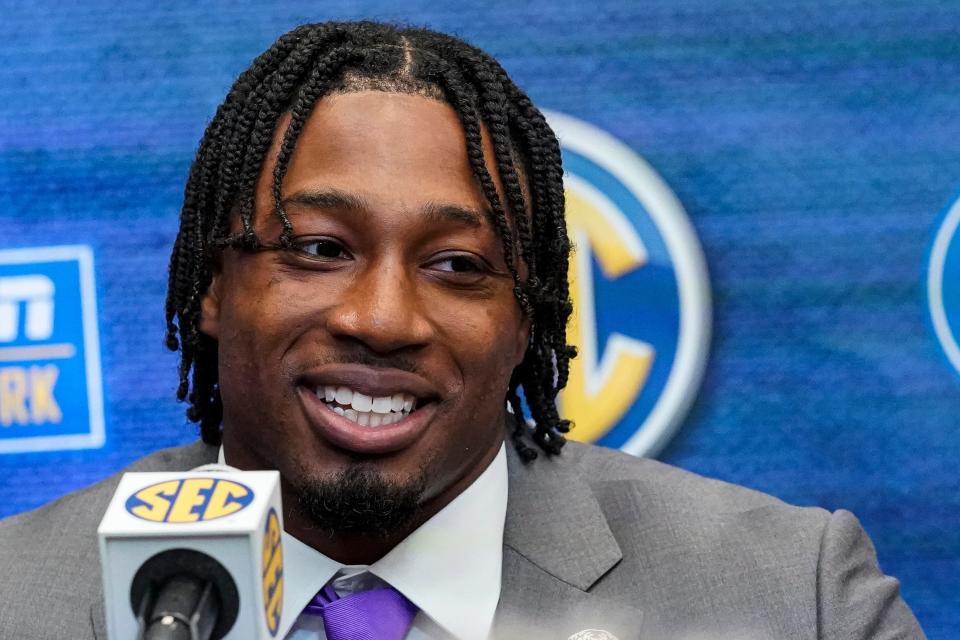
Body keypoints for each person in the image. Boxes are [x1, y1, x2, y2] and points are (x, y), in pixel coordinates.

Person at [0, 21, 925, 640]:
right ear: (212, 285)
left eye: (457, 266)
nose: (383, 319)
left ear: (528, 320)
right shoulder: (18, 597)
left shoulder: (793, 596)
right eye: (320, 247)